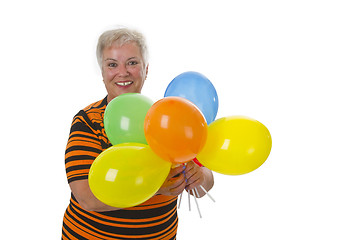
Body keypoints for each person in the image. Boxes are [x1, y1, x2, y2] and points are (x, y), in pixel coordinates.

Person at [62, 27, 214, 240]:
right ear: (103, 72)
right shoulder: (87, 121)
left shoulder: (168, 117)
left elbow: (204, 182)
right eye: (112, 64)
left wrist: (199, 178)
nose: (123, 72)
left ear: (146, 69)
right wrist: (155, 187)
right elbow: (87, 198)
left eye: (132, 63)